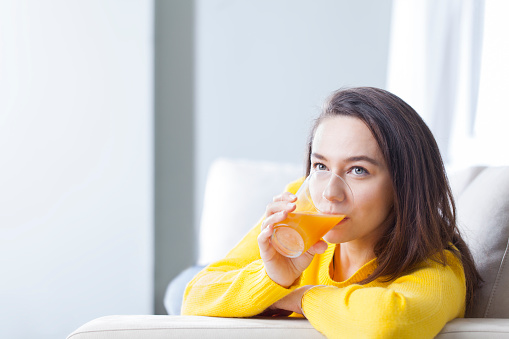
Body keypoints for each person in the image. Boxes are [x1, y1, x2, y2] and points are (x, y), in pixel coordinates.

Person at [181, 87, 482, 338]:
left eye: (358, 170)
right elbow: (195, 295)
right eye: (321, 166)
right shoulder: (304, 204)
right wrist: (273, 277)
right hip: (223, 274)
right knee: (180, 284)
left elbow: (386, 324)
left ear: (404, 185)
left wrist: (297, 297)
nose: (329, 194)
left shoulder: (438, 267)